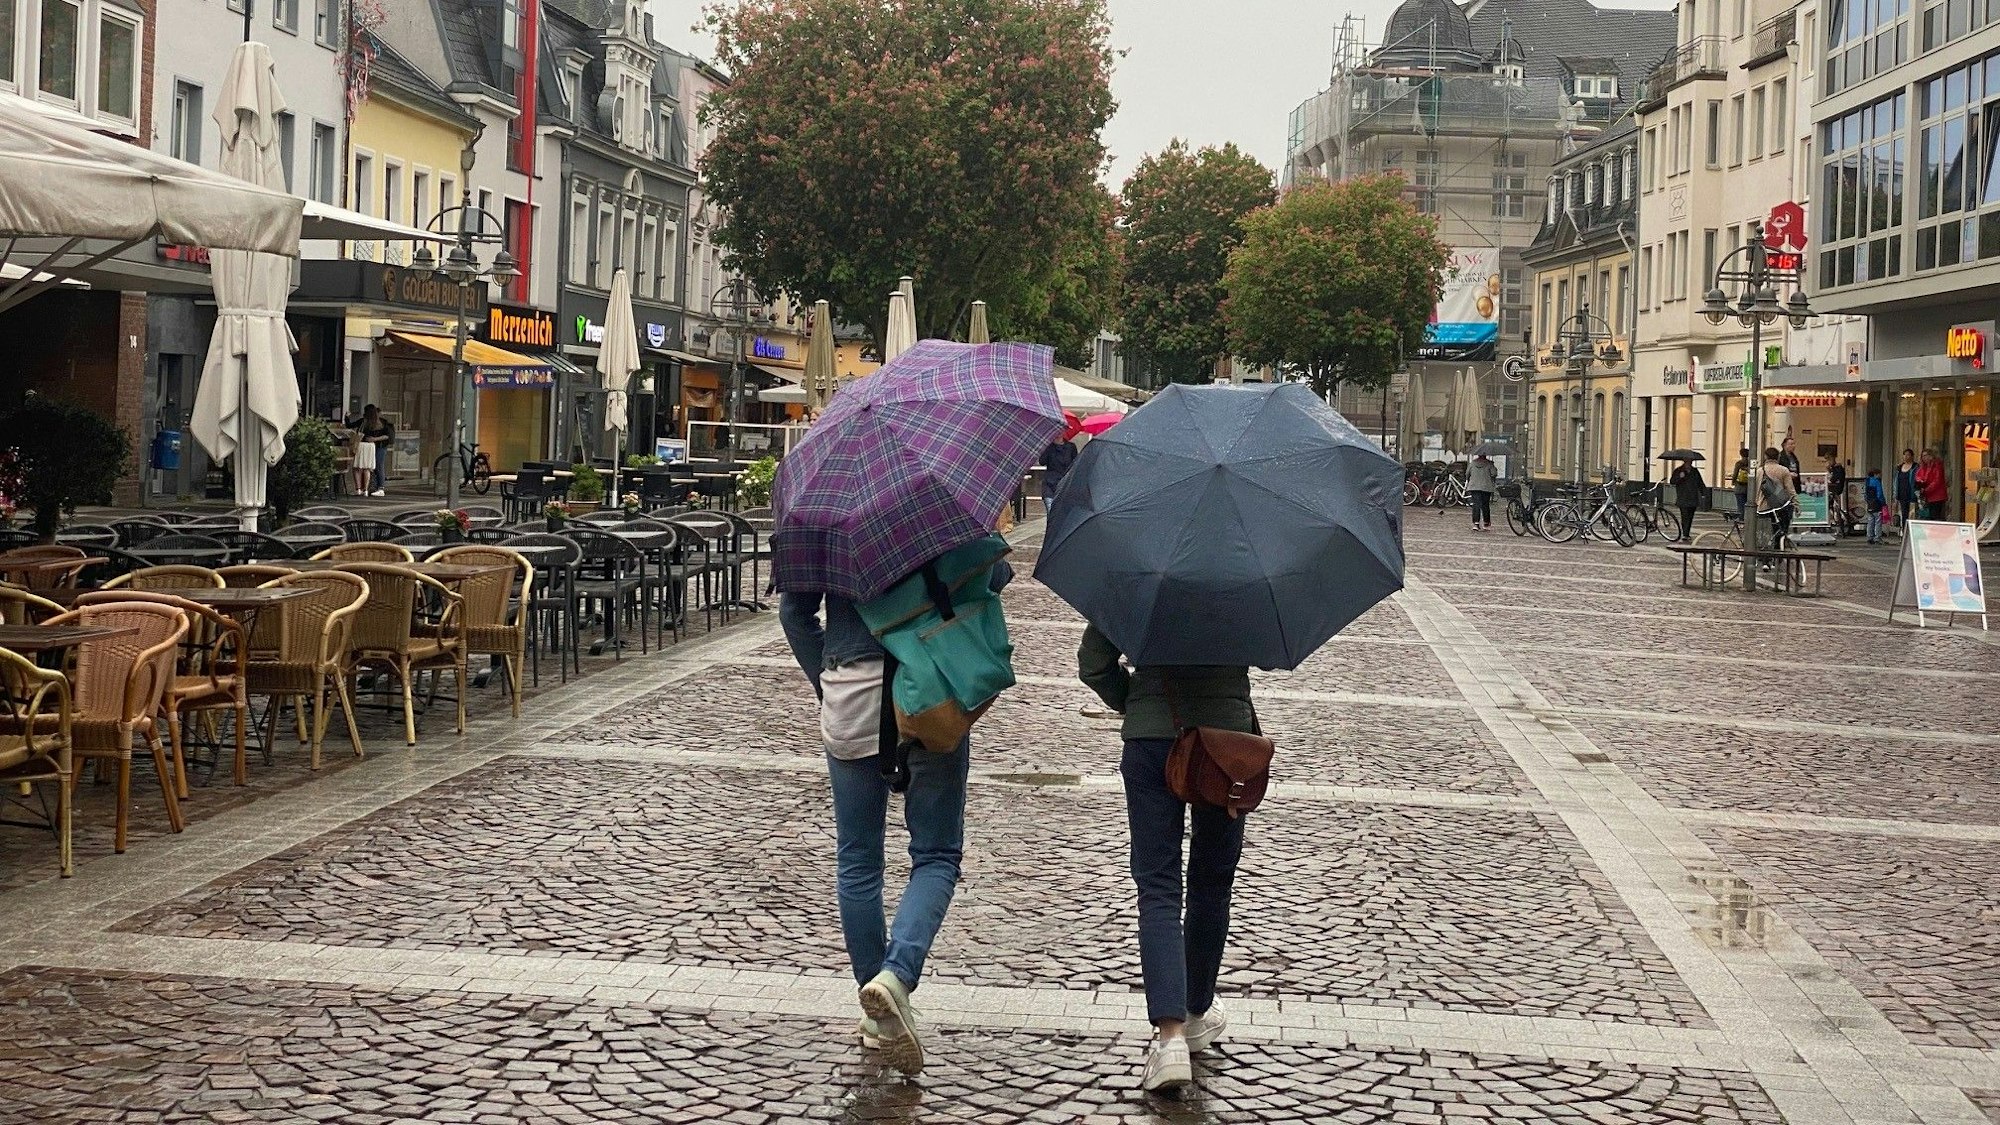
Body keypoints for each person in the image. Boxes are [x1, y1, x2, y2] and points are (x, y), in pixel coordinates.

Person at [778, 552, 1013, 1077]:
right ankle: (895, 977)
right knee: (936, 854)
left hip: (850, 687)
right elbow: (993, 575)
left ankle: (878, 1011)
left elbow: (794, 614)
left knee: (858, 859)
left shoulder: (824, 513)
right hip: (931, 681)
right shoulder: (942, 492)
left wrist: (827, 677)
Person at [1079, 625, 1254, 1095]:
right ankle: (1197, 1010)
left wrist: (1138, 704)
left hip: (1152, 738)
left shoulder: (1136, 567)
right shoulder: (1249, 576)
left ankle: (1170, 1035)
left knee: (1158, 885)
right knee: (1212, 884)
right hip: (1227, 743)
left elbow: (1093, 664)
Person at [1757, 445, 1798, 549]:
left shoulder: (1759, 471)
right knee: (1780, 531)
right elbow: (1790, 489)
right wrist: (1796, 504)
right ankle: (1778, 552)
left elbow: (1754, 491)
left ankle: (1765, 556)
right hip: (1780, 507)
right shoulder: (1783, 470)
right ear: (1778, 457)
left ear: (1765, 457)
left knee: (1764, 533)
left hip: (1762, 508)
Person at [355, 404, 393, 497]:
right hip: (373, 446)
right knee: (372, 467)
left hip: (378, 446)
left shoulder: (382, 423)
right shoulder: (369, 422)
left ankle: (380, 488)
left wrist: (374, 439)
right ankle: (375, 487)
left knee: (377, 466)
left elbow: (388, 436)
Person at [1669, 458, 1707, 542]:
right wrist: (1680, 477)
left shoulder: (1695, 471)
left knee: (1690, 517)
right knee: (1684, 516)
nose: (1689, 464)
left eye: (1690, 462)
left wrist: (1703, 493)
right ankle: (1685, 534)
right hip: (1683, 497)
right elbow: (1672, 481)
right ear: (1685, 462)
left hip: (1693, 497)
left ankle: (1687, 532)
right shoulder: (1678, 470)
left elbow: (1700, 482)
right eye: (1688, 462)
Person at [1041, 438, 1079, 510]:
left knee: (1062, 512)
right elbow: (1042, 461)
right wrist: (1047, 447)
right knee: (1050, 510)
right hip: (1050, 483)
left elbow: (1075, 463)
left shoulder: (1071, 447)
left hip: (1065, 484)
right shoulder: (1049, 447)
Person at [1465, 453, 1497, 531]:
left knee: (1476, 505)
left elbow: (1467, 473)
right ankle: (1486, 523)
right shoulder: (1489, 463)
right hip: (1486, 487)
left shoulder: (1472, 463)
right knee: (1485, 505)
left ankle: (1476, 523)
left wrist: (1470, 479)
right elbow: (1494, 474)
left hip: (1474, 487)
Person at [1916, 448, 1950, 520]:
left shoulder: (1937, 465)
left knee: (1936, 516)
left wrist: (1926, 490)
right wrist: (1920, 485)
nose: (1924, 458)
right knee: (1928, 516)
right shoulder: (1924, 466)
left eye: (1926, 455)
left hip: (1937, 496)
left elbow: (1937, 481)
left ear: (1931, 456)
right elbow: (1919, 476)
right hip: (1927, 495)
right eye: (1923, 456)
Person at [1894, 448, 1920, 528]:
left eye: (1908, 455)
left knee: (1913, 513)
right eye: (1904, 455)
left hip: (1912, 493)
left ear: (1912, 456)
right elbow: (1896, 481)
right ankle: (1904, 532)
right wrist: (1895, 493)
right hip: (1901, 493)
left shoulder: (1916, 467)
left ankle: (1912, 532)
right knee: (1903, 514)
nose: (1906, 457)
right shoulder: (1899, 467)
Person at [1864, 467, 1887, 544]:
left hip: (1870, 504)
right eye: (1880, 474)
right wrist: (1883, 502)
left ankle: (1870, 537)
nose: (1880, 476)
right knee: (1878, 521)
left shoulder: (1867, 481)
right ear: (1876, 474)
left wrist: (1867, 501)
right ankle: (1877, 537)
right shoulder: (1877, 482)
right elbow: (1879, 494)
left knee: (1870, 520)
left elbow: (1865, 494)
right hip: (1877, 504)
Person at [1732, 448, 1752, 516]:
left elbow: (1735, 474)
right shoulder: (1750, 463)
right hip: (1749, 488)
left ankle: (1741, 520)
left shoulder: (1739, 463)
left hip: (1739, 488)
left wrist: (1733, 482)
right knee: (1748, 506)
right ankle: (1747, 518)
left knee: (1740, 506)